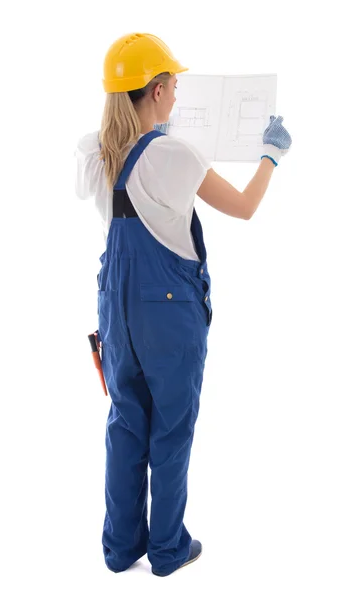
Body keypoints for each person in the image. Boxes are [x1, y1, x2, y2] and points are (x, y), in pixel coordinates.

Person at [75, 32, 292, 577]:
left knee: (126, 422)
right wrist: (270, 154)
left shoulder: (95, 151)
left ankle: (121, 549)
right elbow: (243, 206)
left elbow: (125, 192)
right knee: (171, 426)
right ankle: (168, 550)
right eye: (172, 85)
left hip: (116, 310)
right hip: (167, 312)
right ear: (155, 88)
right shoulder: (173, 152)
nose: (177, 94)